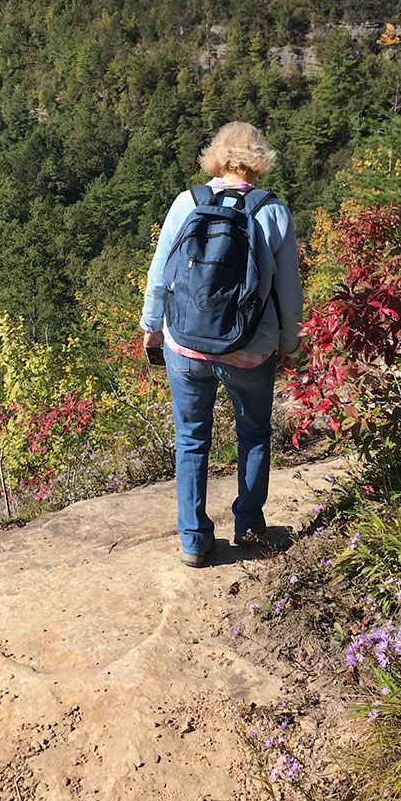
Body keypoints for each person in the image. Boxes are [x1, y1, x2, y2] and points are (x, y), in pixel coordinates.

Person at [140, 121, 303, 566]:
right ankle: (249, 527)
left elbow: (160, 275)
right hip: (251, 348)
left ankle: (194, 539)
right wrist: (290, 344)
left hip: (186, 345)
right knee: (253, 433)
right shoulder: (272, 211)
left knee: (191, 439)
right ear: (258, 159)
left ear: (216, 155)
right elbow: (288, 291)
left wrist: (152, 327)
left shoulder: (187, 202)